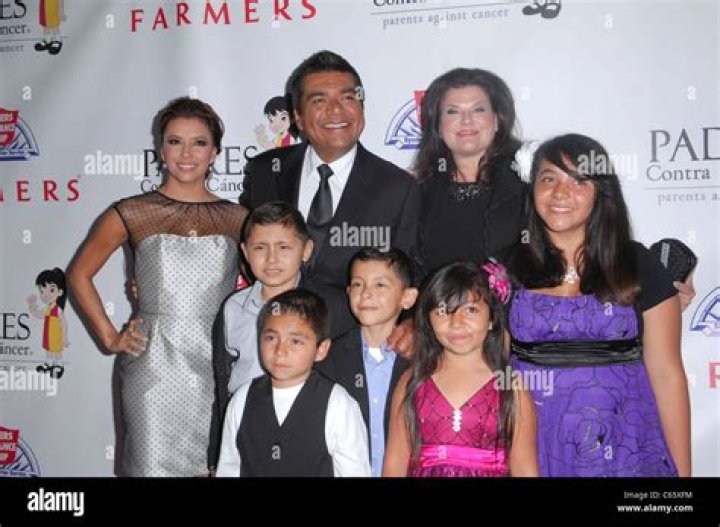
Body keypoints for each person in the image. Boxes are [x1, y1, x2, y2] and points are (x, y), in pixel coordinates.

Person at [68, 97, 247, 476]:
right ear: (161, 150)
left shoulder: (238, 218)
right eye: (175, 142)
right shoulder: (132, 212)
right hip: (153, 368)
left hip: (218, 365)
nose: (186, 154)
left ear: (215, 153)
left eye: (199, 143)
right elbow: (79, 274)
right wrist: (110, 337)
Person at [507, 134, 691, 477]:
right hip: (533, 451)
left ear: (601, 193)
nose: (560, 193)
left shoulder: (638, 264)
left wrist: (681, 476)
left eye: (579, 181)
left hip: (628, 452)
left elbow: (667, 376)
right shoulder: (506, 270)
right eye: (549, 179)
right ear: (532, 189)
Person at [239, 50, 422, 338]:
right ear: (298, 117)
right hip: (273, 343)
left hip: (355, 345)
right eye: (319, 100)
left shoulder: (397, 188)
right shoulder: (265, 172)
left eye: (348, 98)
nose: (336, 110)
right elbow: (249, 252)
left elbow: (411, 274)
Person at [383, 262, 538, 477]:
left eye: (471, 310)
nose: (457, 323)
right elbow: (394, 466)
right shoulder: (412, 382)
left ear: (492, 318)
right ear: (428, 320)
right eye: (443, 311)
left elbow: (525, 469)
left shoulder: (511, 388)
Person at [216, 289, 371, 477]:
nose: (280, 351)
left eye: (296, 341)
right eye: (271, 338)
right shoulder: (242, 400)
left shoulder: (338, 405)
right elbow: (228, 469)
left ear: (321, 349)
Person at [208, 201, 314, 469]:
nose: (272, 259)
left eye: (284, 247)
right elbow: (222, 382)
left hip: (306, 431)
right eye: (260, 248)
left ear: (306, 250)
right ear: (245, 252)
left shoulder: (324, 307)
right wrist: (215, 456)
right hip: (245, 429)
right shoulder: (232, 307)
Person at [316, 247, 418, 477]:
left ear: (408, 297)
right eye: (357, 284)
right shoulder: (328, 358)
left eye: (380, 285)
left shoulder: (421, 359)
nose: (366, 294)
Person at [413, 68, 525, 274]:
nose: (466, 121)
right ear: (438, 125)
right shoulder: (419, 195)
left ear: (497, 120)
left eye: (478, 110)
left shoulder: (527, 186)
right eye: (452, 111)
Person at [27, 268, 69, 378]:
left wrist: (64, 337)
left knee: (57, 352)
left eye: (51, 290)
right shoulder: (47, 308)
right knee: (48, 351)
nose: (46, 294)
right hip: (48, 335)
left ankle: (58, 365)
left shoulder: (57, 310)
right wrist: (32, 306)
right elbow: (40, 315)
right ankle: (49, 365)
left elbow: (64, 324)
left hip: (56, 335)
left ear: (60, 292)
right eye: (42, 291)